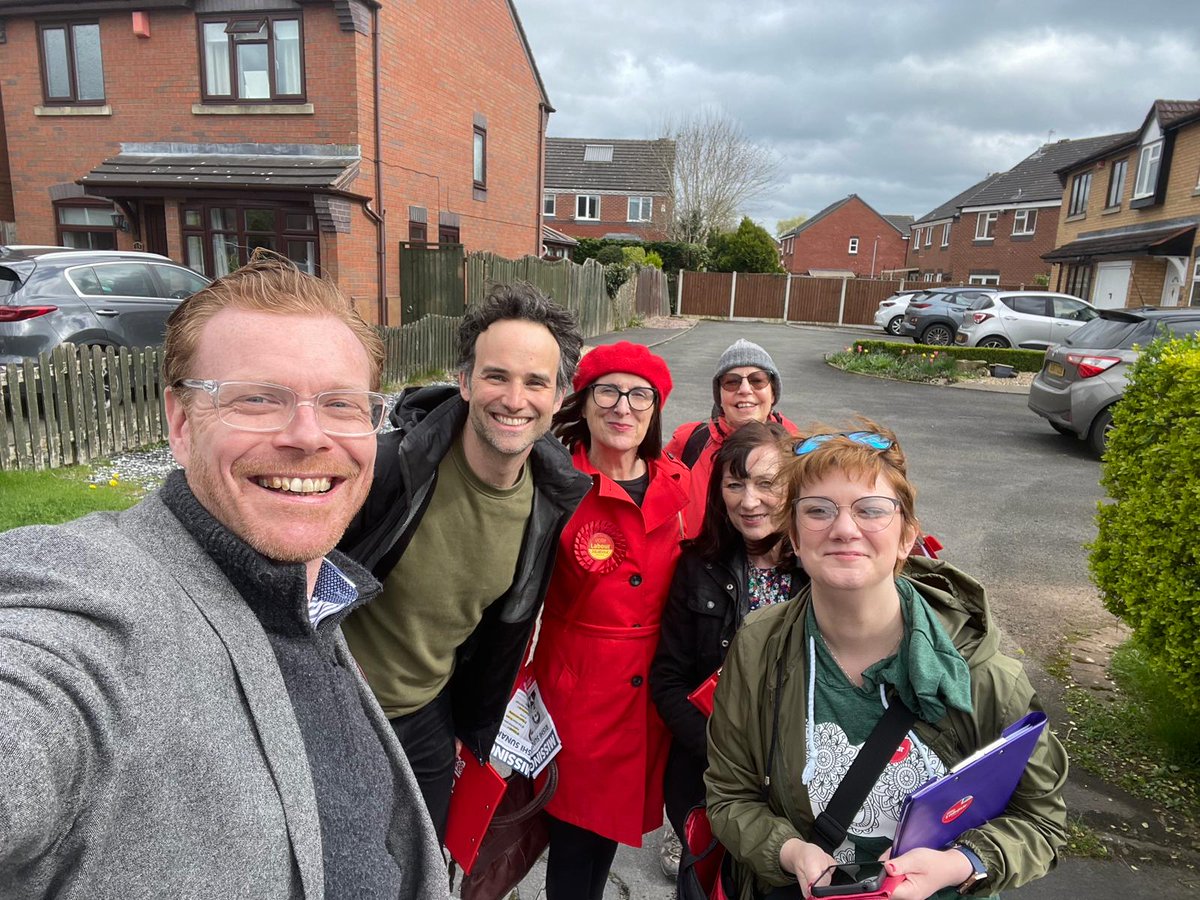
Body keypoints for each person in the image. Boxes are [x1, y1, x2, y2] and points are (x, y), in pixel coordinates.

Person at [0, 256, 447, 900]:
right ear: (181, 425)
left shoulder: (311, 596)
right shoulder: (87, 607)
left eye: (341, 404)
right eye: (258, 399)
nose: (308, 436)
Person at [705, 422, 1067, 900]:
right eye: (818, 510)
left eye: (870, 510)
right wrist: (789, 851)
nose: (843, 529)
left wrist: (960, 864)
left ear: (906, 538)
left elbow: (1040, 819)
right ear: (793, 536)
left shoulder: (981, 671)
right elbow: (730, 796)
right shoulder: (758, 647)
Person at [339, 283, 592, 838]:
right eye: (497, 376)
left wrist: (470, 725)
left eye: (536, 382)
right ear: (464, 381)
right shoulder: (386, 472)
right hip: (336, 708)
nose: (514, 398)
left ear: (559, 396)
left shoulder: (553, 504)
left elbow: (501, 629)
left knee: (429, 871)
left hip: (428, 716)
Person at [532, 341, 691, 900]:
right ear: (586, 400)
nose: (623, 407)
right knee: (575, 843)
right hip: (579, 693)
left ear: (654, 408)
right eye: (608, 391)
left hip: (651, 696)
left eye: (639, 394)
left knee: (606, 839)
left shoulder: (679, 483)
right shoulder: (552, 482)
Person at [651, 420, 807, 843]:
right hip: (708, 782)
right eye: (734, 485)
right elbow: (668, 681)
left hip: (802, 787)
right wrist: (721, 756)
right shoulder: (697, 568)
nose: (749, 501)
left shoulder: (821, 574)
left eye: (766, 483)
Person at [665, 339, 799, 537]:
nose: (744, 389)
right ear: (719, 396)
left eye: (757, 380)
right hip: (699, 564)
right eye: (731, 381)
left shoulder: (798, 447)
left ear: (773, 393)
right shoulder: (689, 443)